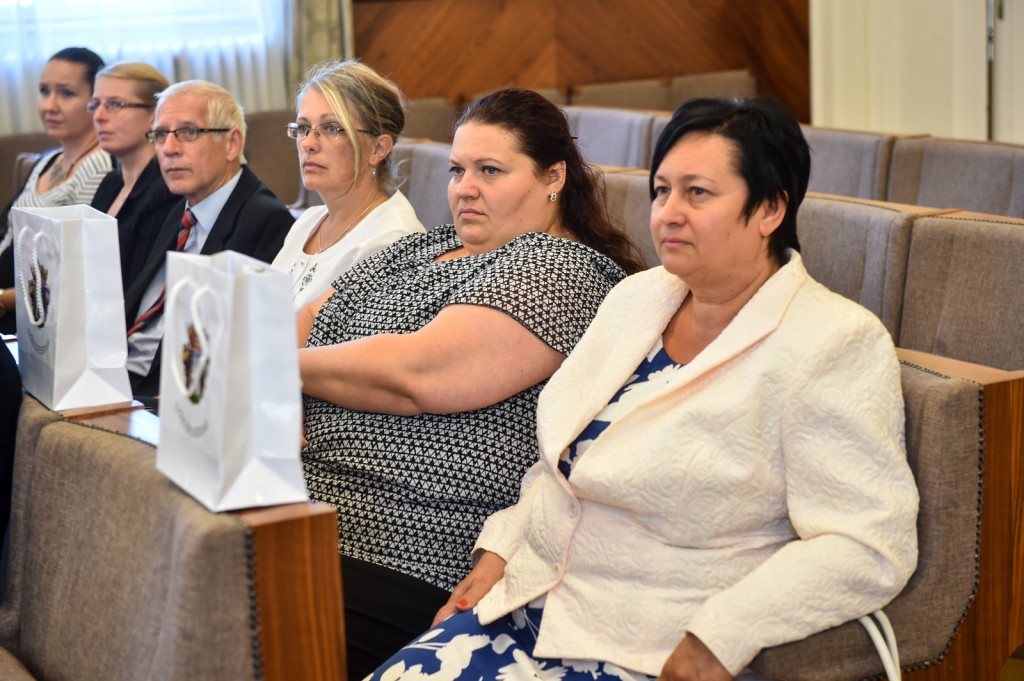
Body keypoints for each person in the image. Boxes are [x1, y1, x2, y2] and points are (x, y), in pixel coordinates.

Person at [369, 97, 920, 681]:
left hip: (645, 644)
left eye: (697, 193)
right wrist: (501, 549)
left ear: (770, 209)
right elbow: (562, 460)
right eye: (661, 191)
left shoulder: (832, 341)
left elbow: (867, 544)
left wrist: (721, 636)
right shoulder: (639, 298)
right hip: (527, 606)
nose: (668, 213)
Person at [297, 87, 645, 679]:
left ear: (553, 177)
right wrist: (281, 377)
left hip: (403, 548)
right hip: (301, 506)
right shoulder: (425, 245)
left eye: (490, 171)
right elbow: (301, 320)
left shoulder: (564, 268)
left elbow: (418, 375)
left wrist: (284, 370)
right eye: (457, 170)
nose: (464, 188)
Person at [124, 80, 294, 399]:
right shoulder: (179, 206)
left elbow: (236, 353)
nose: (169, 148)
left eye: (188, 132)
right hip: (123, 374)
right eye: (160, 134)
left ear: (232, 143)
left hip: (169, 395)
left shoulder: (264, 221)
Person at [272, 60, 424, 308]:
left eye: (331, 128)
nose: (308, 143)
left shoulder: (393, 242)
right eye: (303, 127)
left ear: (378, 149)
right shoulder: (308, 221)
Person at [0, 47, 113, 334]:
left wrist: (3, 299)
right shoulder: (48, 160)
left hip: (36, 318)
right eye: (44, 91)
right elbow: (8, 235)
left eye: (66, 93)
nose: (49, 105)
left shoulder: (99, 167)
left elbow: (76, 270)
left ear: (97, 101)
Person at [89, 62, 179, 294]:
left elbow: (138, 287)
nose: (99, 116)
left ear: (155, 116)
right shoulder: (109, 183)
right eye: (95, 104)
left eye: (115, 104)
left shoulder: (167, 189)